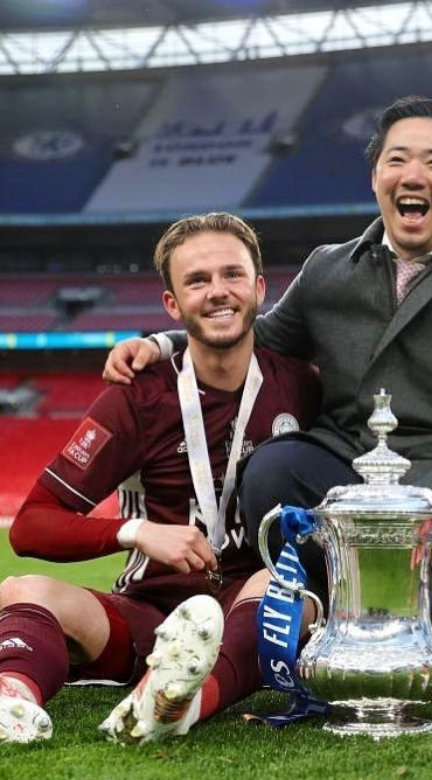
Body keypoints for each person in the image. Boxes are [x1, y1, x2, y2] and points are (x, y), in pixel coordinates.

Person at [103, 96, 432, 635]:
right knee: (272, 467)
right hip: (346, 482)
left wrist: (407, 516)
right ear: (374, 178)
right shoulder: (328, 268)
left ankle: (377, 606)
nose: (413, 174)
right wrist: (164, 343)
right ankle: (326, 605)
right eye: (397, 159)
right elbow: (260, 340)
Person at [0, 213, 320, 744]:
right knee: (24, 589)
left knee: (284, 584)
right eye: (197, 281)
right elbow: (31, 525)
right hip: (147, 615)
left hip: (251, 608)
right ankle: (12, 699)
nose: (218, 292)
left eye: (232, 275)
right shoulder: (138, 395)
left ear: (260, 289)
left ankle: (177, 705)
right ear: (172, 304)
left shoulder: (303, 386)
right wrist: (136, 532)